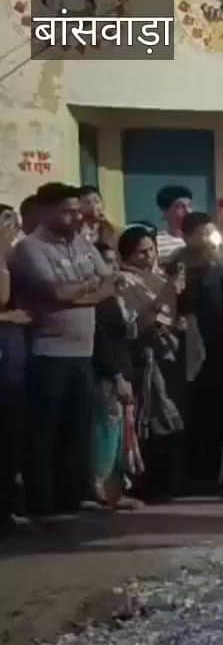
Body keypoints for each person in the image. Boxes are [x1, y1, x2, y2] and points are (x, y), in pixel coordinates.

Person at [8, 182, 115, 517]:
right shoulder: (31, 248)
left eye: (76, 210)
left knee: (77, 429)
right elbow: (53, 291)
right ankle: (44, 504)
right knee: (45, 432)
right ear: (46, 211)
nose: (76, 216)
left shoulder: (83, 242)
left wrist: (79, 293)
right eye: (67, 211)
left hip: (84, 352)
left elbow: (110, 282)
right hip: (48, 352)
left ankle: (75, 496)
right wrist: (87, 289)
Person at [115, 225, 185, 502]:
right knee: (147, 420)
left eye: (151, 250)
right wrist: (164, 296)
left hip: (167, 353)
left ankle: (170, 480)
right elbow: (136, 322)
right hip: (141, 356)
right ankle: (145, 484)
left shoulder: (157, 277)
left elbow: (169, 316)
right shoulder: (124, 280)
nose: (148, 256)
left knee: (168, 416)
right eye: (141, 252)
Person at [174, 212, 223, 486]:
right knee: (191, 409)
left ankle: (215, 474)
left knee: (217, 409)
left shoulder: (222, 262)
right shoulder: (176, 264)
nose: (207, 239)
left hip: (220, 347)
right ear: (186, 236)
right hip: (187, 347)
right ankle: (190, 474)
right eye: (201, 233)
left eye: (210, 233)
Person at [89, 242, 138, 509]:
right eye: (106, 262)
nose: (113, 268)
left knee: (119, 433)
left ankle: (115, 491)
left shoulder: (116, 298)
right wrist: (117, 375)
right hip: (105, 375)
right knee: (105, 434)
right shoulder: (98, 303)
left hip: (122, 371)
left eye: (114, 262)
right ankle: (100, 489)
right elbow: (102, 343)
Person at [0, 205, 33, 528]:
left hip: (13, 356)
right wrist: (7, 317)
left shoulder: (12, 260)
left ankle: (9, 504)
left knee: (11, 431)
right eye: (11, 227)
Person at [154, 185, 193, 263]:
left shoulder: (201, 237)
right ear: (165, 211)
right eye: (180, 207)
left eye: (189, 206)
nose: (188, 211)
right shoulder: (156, 241)